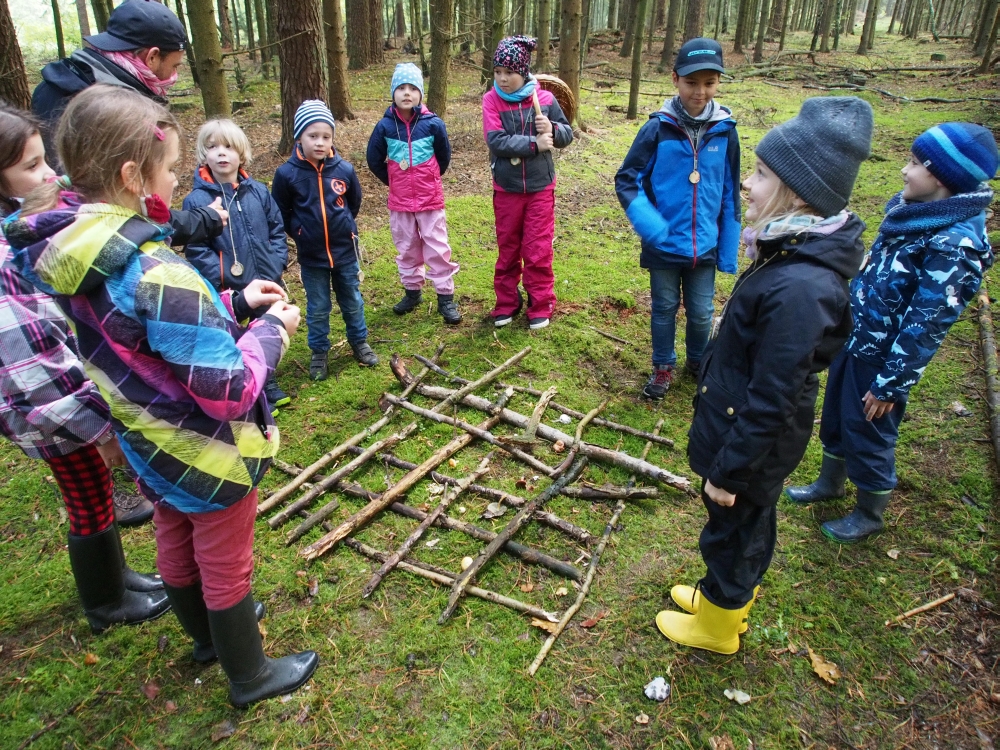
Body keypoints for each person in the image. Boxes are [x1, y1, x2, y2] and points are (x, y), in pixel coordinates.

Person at [6, 85, 318, 708]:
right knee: (226, 558)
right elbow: (227, 389)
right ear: (131, 174)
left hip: (146, 443)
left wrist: (230, 303)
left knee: (175, 535)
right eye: (172, 167)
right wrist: (269, 333)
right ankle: (249, 674)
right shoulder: (157, 271)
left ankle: (205, 639)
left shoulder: (70, 258)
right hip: (206, 451)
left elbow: (142, 340)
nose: (177, 180)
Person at [657, 97, 874, 655]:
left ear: (799, 192)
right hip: (740, 434)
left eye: (759, 174)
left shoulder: (803, 286)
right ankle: (719, 599)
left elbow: (772, 398)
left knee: (735, 532)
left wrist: (729, 472)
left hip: (747, 447)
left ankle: (718, 625)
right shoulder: (790, 249)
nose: (747, 186)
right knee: (740, 528)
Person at [0, 103, 168, 634]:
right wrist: (97, 426)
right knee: (88, 497)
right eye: (31, 166)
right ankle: (106, 601)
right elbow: (33, 367)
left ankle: (118, 577)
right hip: (50, 411)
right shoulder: (6, 258)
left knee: (94, 486)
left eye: (43, 159)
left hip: (67, 398)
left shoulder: (24, 228)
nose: (49, 173)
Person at [786, 123, 997, 542]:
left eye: (915, 164)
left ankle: (869, 512)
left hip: (883, 361)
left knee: (869, 430)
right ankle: (830, 483)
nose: (904, 170)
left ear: (940, 178)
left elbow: (927, 324)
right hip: (856, 339)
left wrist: (890, 383)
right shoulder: (911, 214)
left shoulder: (953, 244)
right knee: (838, 418)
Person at [31, 0, 226, 247]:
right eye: (175, 66)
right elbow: (117, 209)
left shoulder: (55, 88)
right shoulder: (110, 113)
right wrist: (199, 221)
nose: (174, 78)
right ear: (153, 56)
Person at [615, 38, 741, 401]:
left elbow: (730, 188)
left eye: (709, 83)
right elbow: (627, 178)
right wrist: (649, 224)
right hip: (664, 244)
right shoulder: (657, 129)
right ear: (675, 79)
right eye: (691, 82)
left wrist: (728, 243)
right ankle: (663, 365)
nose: (700, 92)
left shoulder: (725, 131)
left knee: (702, 311)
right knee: (665, 307)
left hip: (707, 243)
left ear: (718, 82)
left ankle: (699, 362)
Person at [182, 119, 292, 415]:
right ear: (203, 154)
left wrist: (276, 260)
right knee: (235, 333)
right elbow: (195, 247)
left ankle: (267, 383)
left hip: (265, 276)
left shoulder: (256, 191)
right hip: (227, 286)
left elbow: (276, 228)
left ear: (241, 154)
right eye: (213, 146)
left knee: (265, 324)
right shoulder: (197, 201)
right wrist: (220, 273)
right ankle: (242, 386)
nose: (221, 153)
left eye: (228, 147)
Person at [272, 100, 376, 379]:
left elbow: (353, 202)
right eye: (312, 136)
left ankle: (359, 341)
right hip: (312, 256)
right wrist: (301, 231)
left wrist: (345, 226)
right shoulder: (287, 174)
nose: (320, 143)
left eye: (326, 137)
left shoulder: (344, 169)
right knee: (318, 307)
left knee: (352, 299)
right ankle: (319, 351)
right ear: (299, 137)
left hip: (344, 252)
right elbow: (281, 211)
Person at [483, 36, 573, 330]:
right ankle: (507, 303)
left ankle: (541, 304)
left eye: (509, 72)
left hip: (539, 188)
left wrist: (553, 129)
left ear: (523, 71)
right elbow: (496, 140)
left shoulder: (545, 100)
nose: (503, 78)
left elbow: (566, 135)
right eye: (498, 72)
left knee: (537, 248)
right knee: (507, 248)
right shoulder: (492, 100)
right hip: (506, 188)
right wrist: (534, 144)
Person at [366, 63, 461, 325]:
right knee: (406, 246)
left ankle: (445, 297)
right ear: (393, 94)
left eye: (412, 88)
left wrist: (429, 178)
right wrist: (394, 181)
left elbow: (443, 157)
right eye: (401, 88)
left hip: (430, 199)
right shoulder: (385, 127)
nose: (407, 93)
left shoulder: (433, 124)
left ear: (420, 94)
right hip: (400, 203)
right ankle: (412, 292)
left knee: (437, 246)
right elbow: (373, 160)